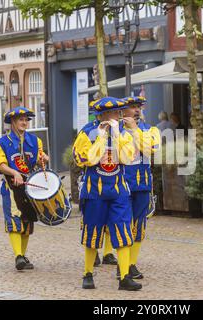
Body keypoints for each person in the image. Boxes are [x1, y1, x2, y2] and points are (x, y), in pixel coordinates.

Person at [73, 97, 142, 291]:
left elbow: (128, 158)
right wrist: (102, 138)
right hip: (95, 191)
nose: (118, 116)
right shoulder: (87, 133)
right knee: (92, 232)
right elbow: (87, 159)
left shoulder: (122, 133)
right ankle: (88, 273)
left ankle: (124, 276)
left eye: (119, 113)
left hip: (119, 191)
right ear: (102, 115)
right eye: (114, 113)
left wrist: (117, 135)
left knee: (123, 231)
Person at [0, 106, 50, 271]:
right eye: (21, 120)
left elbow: (40, 159)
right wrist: (13, 172)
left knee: (27, 220)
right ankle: (18, 255)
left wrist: (44, 158)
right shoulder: (2, 143)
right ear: (13, 122)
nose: (24, 123)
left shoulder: (35, 141)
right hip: (11, 186)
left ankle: (22, 255)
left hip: (29, 185)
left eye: (26, 120)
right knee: (14, 219)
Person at [120, 96, 160, 279]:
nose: (136, 110)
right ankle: (122, 265)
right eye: (132, 107)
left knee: (139, 225)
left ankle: (131, 264)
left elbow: (150, 149)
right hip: (121, 184)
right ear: (123, 111)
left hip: (142, 184)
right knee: (123, 224)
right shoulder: (115, 130)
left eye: (138, 107)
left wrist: (135, 130)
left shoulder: (150, 130)